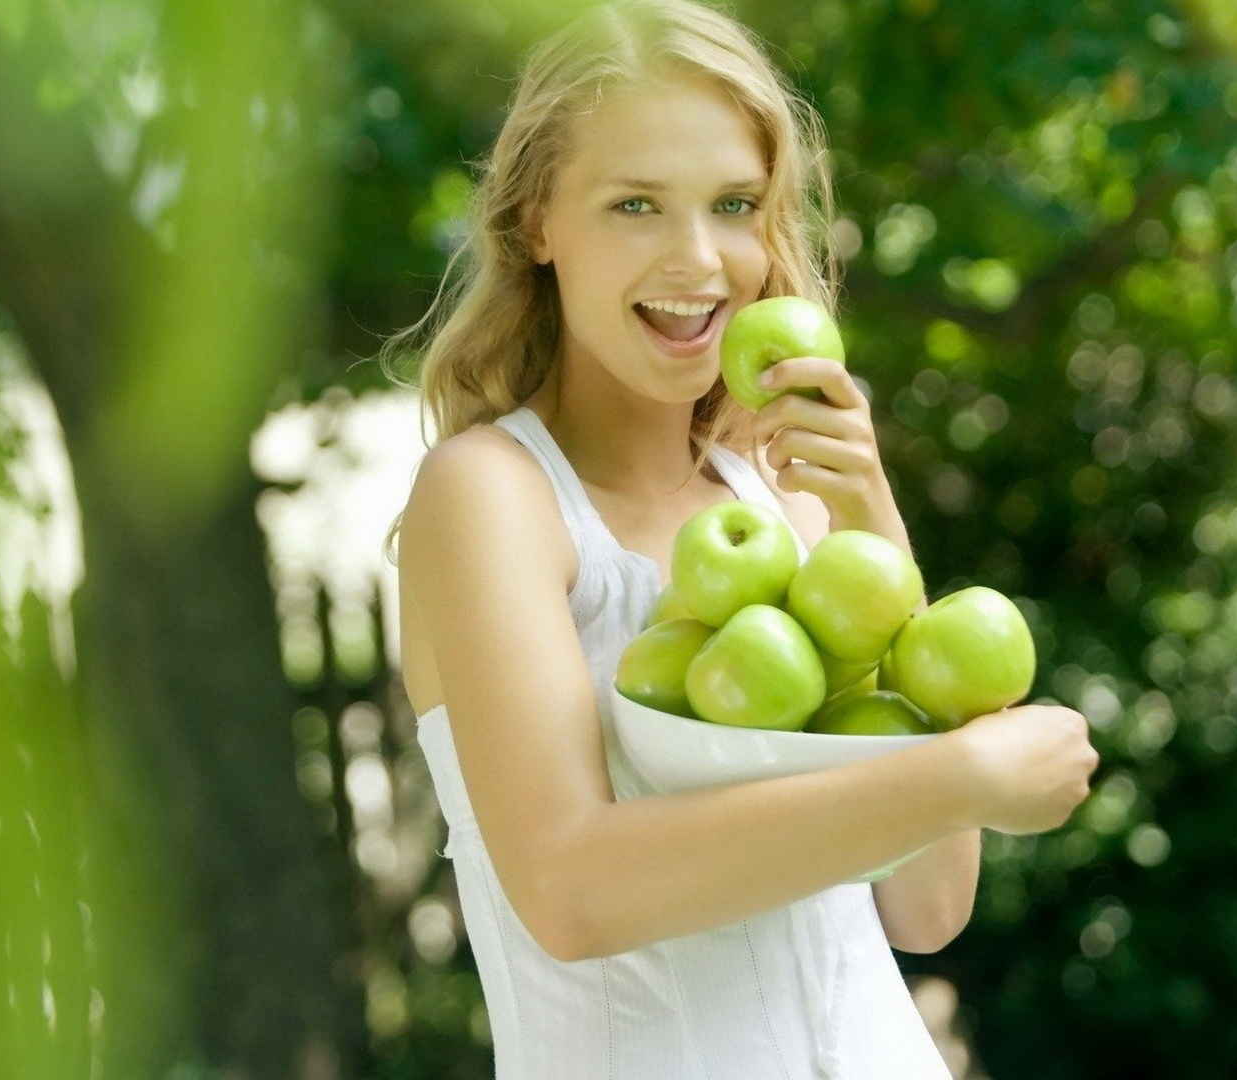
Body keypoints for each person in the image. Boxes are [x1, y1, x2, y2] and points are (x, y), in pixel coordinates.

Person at [380, 1, 1100, 1076]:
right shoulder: (490, 497)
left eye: (734, 204)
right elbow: (574, 891)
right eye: (635, 204)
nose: (699, 260)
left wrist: (871, 520)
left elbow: (926, 905)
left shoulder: (786, 502)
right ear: (538, 222)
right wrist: (961, 775)